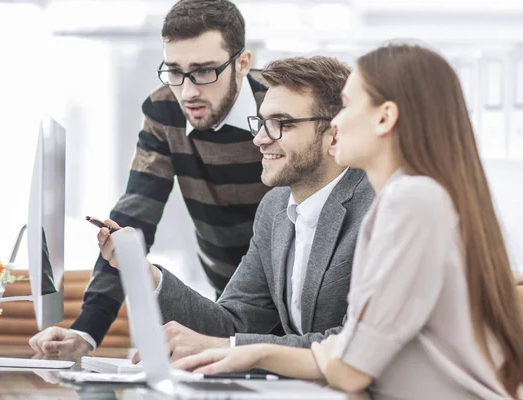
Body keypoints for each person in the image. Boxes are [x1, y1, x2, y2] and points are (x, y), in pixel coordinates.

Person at [172, 44, 523, 400]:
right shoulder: (406, 198)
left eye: (349, 105)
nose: (336, 122)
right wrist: (242, 351)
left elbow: (351, 366)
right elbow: (349, 351)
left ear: (385, 118)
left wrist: (252, 352)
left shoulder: (412, 200)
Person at [29, 0, 271, 353]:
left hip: (293, 290)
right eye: (175, 71)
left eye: (204, 71)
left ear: (243, 63)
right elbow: (134, 216)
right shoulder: (164, 110)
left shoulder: (282, 109)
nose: (188, 92)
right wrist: (87, 330)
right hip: (230, 296)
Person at [97, 55, 375, 363]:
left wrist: (228, 349)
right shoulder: (275, 209)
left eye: (280, 124)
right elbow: (229, 324)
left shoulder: (378, 209)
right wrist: (145, 273)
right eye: (261, 122)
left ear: (333, 134)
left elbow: (352, 343)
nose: (259, 139)